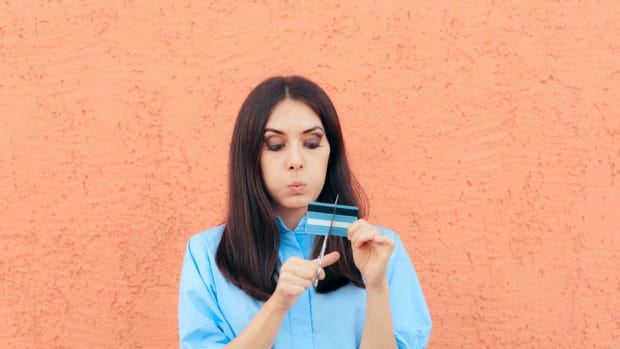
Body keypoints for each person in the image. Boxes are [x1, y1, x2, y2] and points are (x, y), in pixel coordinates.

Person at [178, 76, 432, 348]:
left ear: (331, 153)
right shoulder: (206, 254)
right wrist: (278, 304)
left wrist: (377, 288)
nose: (296, 161)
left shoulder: (380, 250)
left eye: (311, 143)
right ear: (250, 157)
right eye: (275, 145)